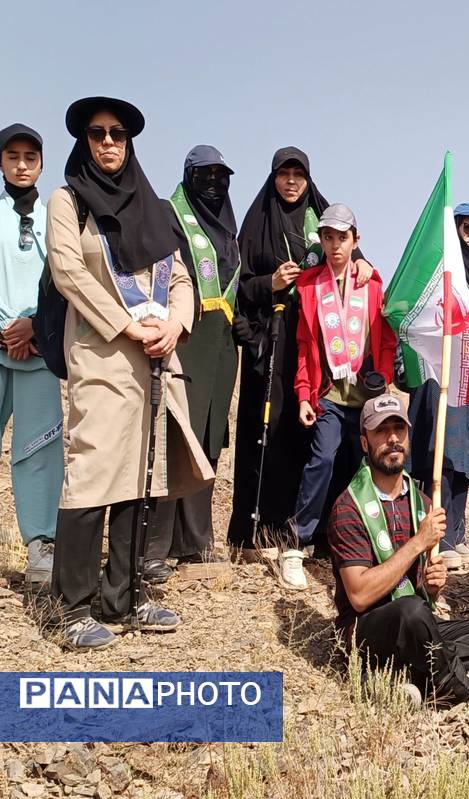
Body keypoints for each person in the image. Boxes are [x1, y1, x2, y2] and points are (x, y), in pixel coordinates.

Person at [46, 96, 214, 650]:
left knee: (143, 477)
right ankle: (72, 606)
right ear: (84, 141)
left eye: (118, 134)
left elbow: (183, 277)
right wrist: (127, 325)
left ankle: (124, 595)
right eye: (97, 134)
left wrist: (176, 323)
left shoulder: (155, 207)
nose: (109, 142)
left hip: (158, 362)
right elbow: (69, 271)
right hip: (102, 356)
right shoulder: (68, 202)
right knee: (93, 471)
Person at [328, 393, 469, 708]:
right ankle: (464, 686)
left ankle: (404, 679)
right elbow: (360, 595)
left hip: (419, 627)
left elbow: (421, 591)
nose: (393, 439)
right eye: (381, 431)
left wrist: (432, 587)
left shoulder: (421, 502)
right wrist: (417, 543)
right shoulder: (348, 507)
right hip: (367, 631)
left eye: (399, 429)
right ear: (365, 442)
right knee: (411, 611)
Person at [228, 146, 371, 557]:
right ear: (273, 178)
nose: (292, 182)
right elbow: (237, 286)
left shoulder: (321, 219)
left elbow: (349, 254)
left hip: (317, 345)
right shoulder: (257, 223)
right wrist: (269, 283)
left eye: (299, 176)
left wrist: (365, 264)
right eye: (284, 175)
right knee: (268, 433)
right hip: (272, 342)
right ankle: (261, 531)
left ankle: (317, 531)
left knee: (312, 435)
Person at [144, 145, 240, 582]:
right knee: (175, 432)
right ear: (188, 176)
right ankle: (155, 547)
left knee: (208, 437)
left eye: (221, 176)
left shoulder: (227, 230)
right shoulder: (170, 213)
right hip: (186, 334)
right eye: (204, 175)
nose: (214, 183)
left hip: (221, 344)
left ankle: (197, 541)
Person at [288, 204, 395, 590]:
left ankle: (359, 546)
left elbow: (385, 339)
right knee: (321, 459)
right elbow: (304, 347)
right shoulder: (309, 285)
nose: (334, 245)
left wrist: (382, 375)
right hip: (328, 396)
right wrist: (303, 395)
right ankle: (296, 545)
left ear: (356, 241)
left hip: (365, 398)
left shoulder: (373, 284)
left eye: (342, 238)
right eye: (327, 237)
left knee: (363, 471)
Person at [406, 203, 469, 570]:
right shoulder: (435, 272)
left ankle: (455, 533)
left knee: (462, 455)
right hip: (436, 371)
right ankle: (431, 534)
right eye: (467, 229)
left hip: (466, 373)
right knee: (435, 451)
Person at [0, 123, 62, 586]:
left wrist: (33, 328)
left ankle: (41, 547)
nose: (22, 165)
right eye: (12, 156)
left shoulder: (53, 218)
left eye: (30, 157)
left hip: (38, 351)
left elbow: (65, 283)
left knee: (38, 449)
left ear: (41, 163)